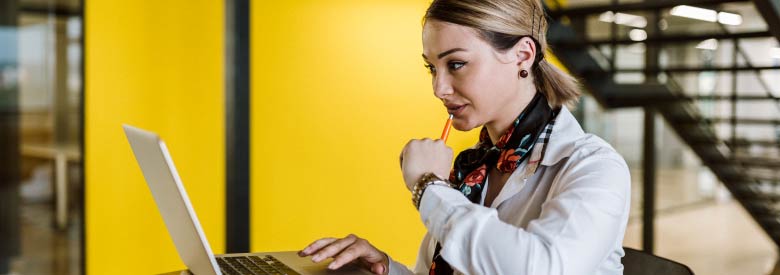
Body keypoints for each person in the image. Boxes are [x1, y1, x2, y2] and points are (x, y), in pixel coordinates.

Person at [297, 0, 631, 274]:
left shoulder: (595, 167)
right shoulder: (474, 168)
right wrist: (384, 268)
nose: (439, 89)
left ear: (523, 56)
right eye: (432, 68)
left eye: (455, 64)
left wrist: (429, 188)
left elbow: (542, 267)